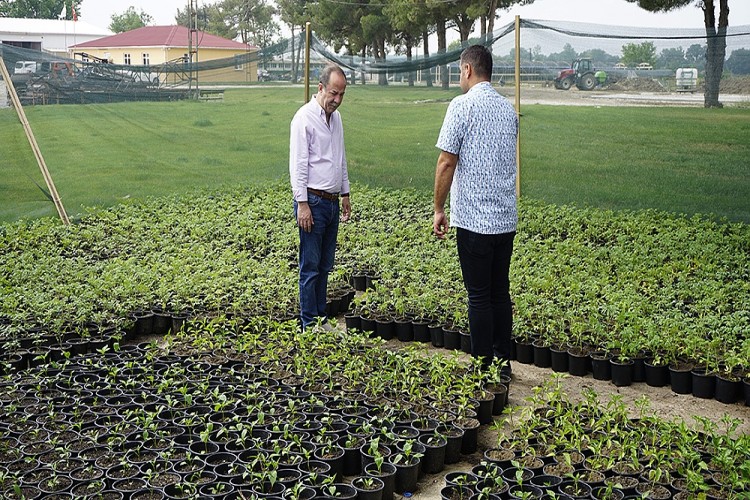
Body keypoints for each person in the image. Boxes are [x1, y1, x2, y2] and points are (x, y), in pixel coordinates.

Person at [432, 45, 518, 376]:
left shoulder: (462, 106)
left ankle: (482, 367)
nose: (458, 76)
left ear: (468, 70)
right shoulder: (507, 110)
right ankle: (502, 363)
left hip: (475, 222)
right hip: (504, 221)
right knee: (499, 292)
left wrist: (439, 207)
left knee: (479, 297)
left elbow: (446, 161)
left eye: (459, 71)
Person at [290, 64, 352, 330]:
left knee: (325, 265)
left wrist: (345, 191)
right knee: (310, 265)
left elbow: (340, 157)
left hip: (332, 201)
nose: (336, 100)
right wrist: (302, 204)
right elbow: (298, 164)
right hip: (312, 202)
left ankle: (320, 317)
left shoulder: (335, 119)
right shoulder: (304, 118)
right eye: (333, 93)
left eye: (341, 95)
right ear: (321, 88)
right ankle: (308, 322)